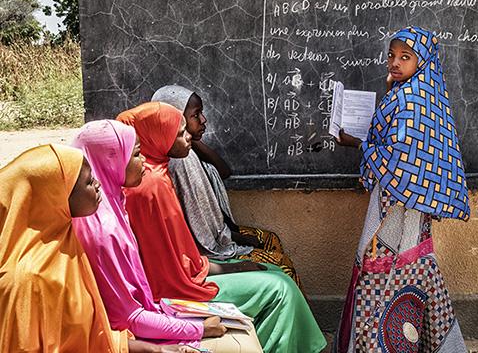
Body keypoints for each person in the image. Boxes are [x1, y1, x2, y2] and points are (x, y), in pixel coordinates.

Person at [117, 102, 326, 353]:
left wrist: (229, 266)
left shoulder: (158, 171)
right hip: (176, 293)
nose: (189, 137)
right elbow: (171, 273)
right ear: (157, 135)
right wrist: (232, 266)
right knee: (280, 288)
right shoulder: (150, 186)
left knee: (276, 272)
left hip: (190, 275)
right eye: (180, 132)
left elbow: (182, 258)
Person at [71, 119, 263, 352]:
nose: (143, 162)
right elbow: (127, 317)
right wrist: (198, 328)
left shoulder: (113, 205)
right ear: (111, 160)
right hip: (130, 334)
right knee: (249, 335)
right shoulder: (103, 229)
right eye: (135, 155)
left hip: (149, 314)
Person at [333, 27, 470, 352]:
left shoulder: (410, 100)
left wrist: (357, 143)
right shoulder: (419, 93)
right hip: (407, 207)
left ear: (421, 61)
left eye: (404, 57)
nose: (395, 62)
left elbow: (399, 158)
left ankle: (375, 346)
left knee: (380, 271)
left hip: (396, 212)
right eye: (392, 55)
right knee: (414, 270)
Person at [0, 144, 192, 353]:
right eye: (89, 181)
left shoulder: (63, 243)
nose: (98, 183)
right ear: (55, 196)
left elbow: (87, 338)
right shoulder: (25, 281)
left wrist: (153, 350)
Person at [150, 85, 301, 288]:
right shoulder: (180, 161)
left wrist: (189, 138)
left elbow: (223, 170)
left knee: (271, 239)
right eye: (196, 115)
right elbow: (199, 229)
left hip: (220, 234)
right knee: (282, 265)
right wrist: (233, 240)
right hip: (208, 250)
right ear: (177, 118)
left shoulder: (186, 150)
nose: (203, 120)